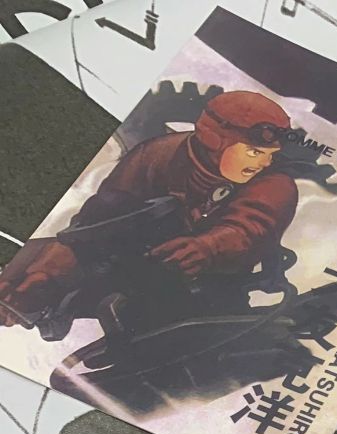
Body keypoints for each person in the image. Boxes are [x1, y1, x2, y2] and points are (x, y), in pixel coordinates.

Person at [0, 89, 299, 328]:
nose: (264, 162)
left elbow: (250, 228)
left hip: (206, 285)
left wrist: (208, 247)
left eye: (270, 154)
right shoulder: (157, 155)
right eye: (254, 152)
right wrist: (44, 272)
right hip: (134, 262)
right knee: (38, 266)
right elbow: (96, 222)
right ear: (213, 139)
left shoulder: (275, 184)